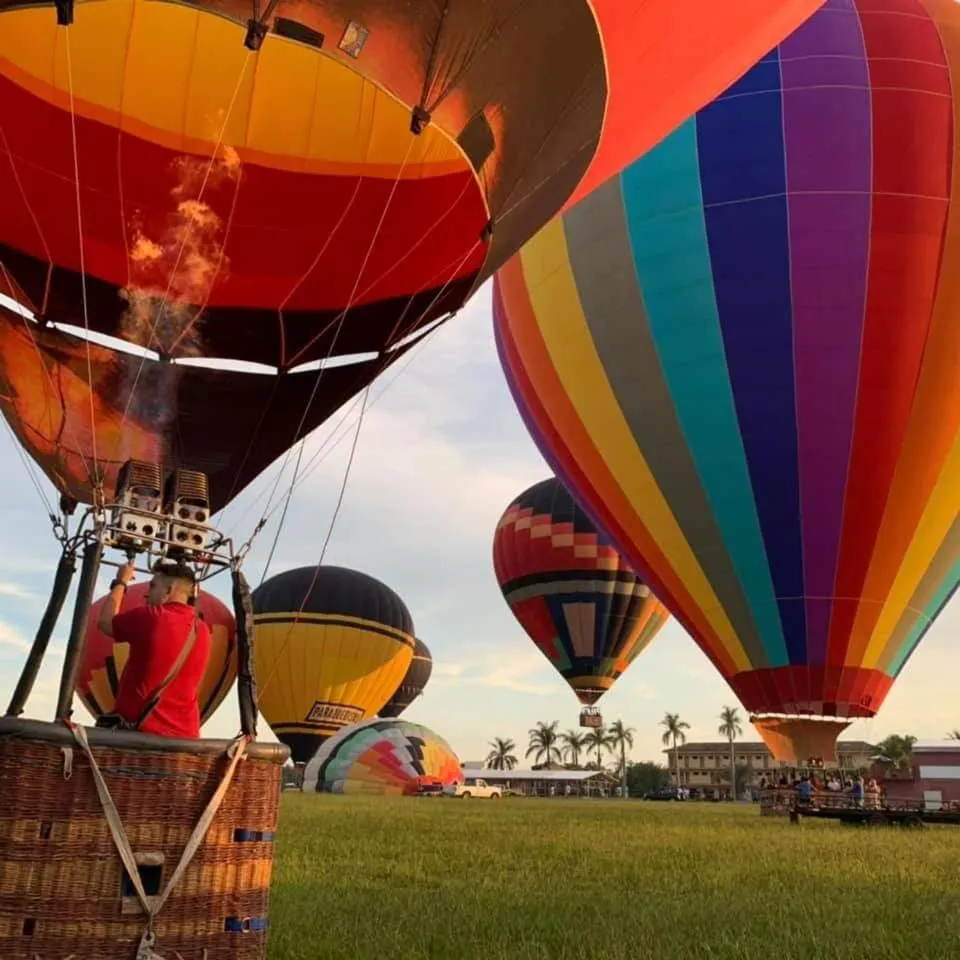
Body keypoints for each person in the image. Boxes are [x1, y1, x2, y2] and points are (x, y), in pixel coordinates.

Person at [96, 559, 212, 739]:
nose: (147, 593)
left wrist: (121, 582)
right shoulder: (203, 629)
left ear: (169, 590)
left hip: (141, 737)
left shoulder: (154, 617)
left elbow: (104, 622)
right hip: (186, 739)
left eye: (152, 586)